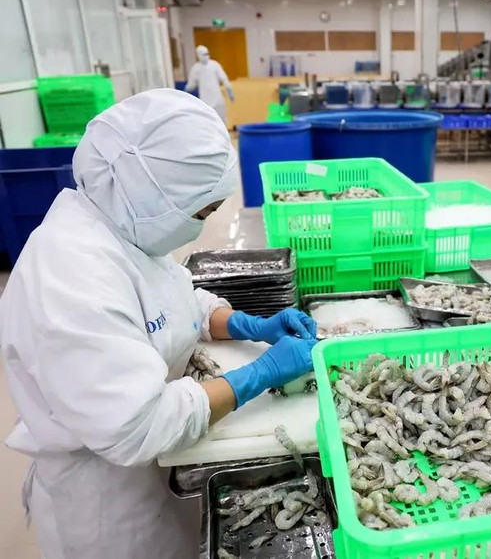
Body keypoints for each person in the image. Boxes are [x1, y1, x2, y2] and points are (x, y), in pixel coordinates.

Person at [0, 89, 318, 559]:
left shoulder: (123, 228)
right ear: (152, 194)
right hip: (111, 508)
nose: (204, 225)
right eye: (200, 213)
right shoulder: (69, 276)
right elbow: (139, 424)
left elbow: (175, 299)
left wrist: (249, 324)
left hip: (161, 472)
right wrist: (261, 373)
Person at [186, 45, 235, 124]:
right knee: (219, 124)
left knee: (212, 124)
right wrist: (230, 93)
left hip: (209, 103)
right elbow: (225, 81)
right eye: (203, 54)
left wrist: (183, 91)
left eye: (206, 54)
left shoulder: (198, 67)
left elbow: (190, 86)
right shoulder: (211, 65)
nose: (205, 56)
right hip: (211, 102)